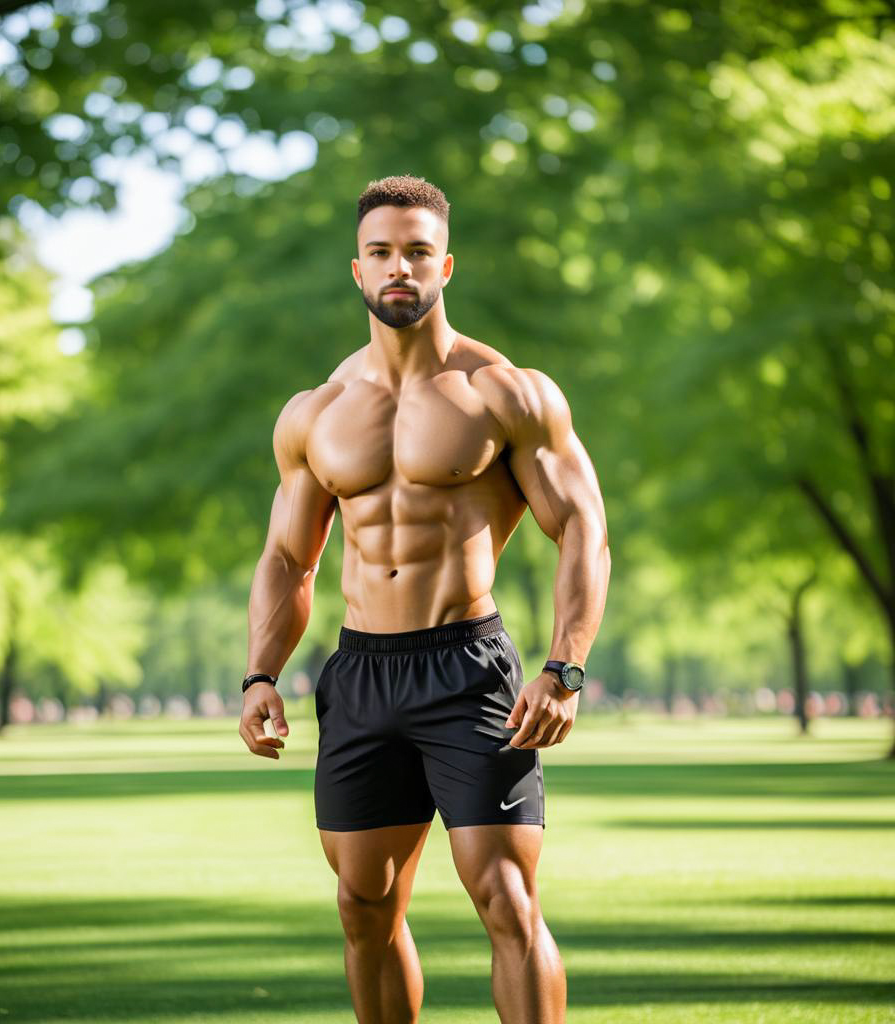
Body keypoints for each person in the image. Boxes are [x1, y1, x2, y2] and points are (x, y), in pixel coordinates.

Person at [238, 174, 611, 1024]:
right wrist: (261, 675)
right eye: (381, 253)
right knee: (364, 907)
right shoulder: (317, 413)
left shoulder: (507, 393)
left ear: (446, 265)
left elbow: (584, 530)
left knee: (507, 900)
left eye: (415, 252)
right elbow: (288, 558)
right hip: (362, 673)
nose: (398, 267)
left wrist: (566, 667)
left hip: (467, 669)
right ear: (358, 272)